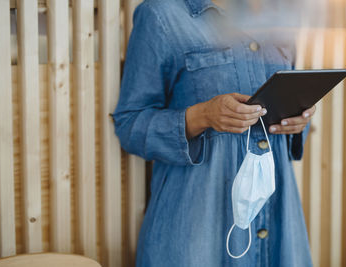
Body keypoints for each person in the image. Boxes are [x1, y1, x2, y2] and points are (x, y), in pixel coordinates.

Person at [112, 0, 315, 266]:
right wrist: (203, 115)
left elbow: (286, 111)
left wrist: (299, 121)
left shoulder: (277, 14)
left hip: (279, 224)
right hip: (197, 229)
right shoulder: (161, 14)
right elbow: (130, 124)